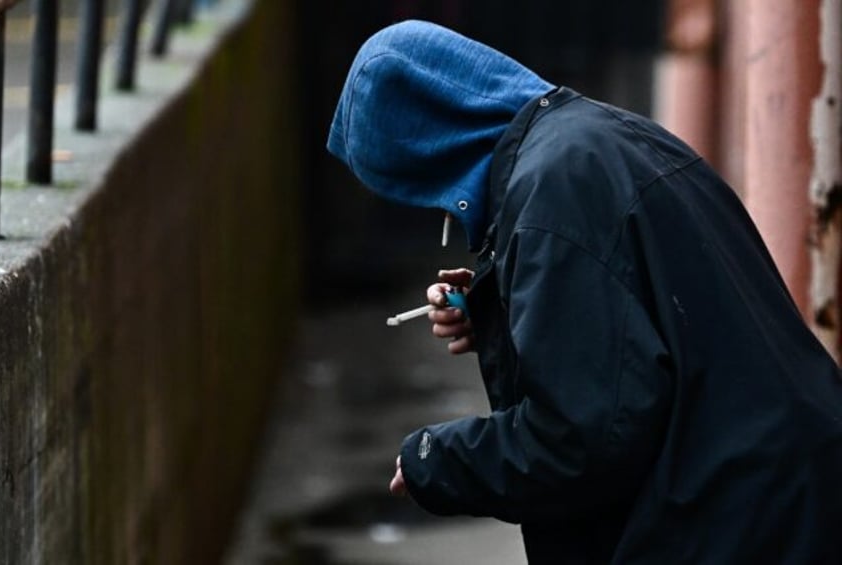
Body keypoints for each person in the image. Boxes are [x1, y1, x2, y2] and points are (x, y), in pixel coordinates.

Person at [326, 20, 842, 564]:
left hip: (744, 521)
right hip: (779, 485)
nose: (438, 206)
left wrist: (437, 458)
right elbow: (638, 319)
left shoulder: (551, 196)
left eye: (420, 185)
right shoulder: (597, 137)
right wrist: (499, 309)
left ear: (431, 147)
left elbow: (580, 440)